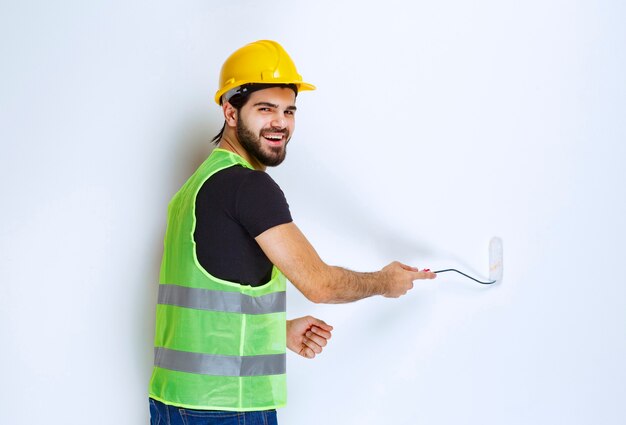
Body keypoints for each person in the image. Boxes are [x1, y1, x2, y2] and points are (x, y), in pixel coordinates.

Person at [148, 40, 436, 425]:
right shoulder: (248, 187)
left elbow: (212, 295)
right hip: (227, 409)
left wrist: (274, 331)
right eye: (265, 109)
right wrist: (386, 281)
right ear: (230, 112)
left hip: (173, 402)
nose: (280, 123)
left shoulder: (197, 186)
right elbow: (321, 285)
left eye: (289, 111)